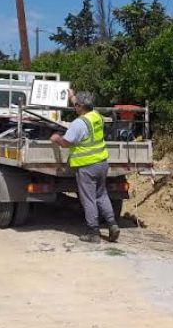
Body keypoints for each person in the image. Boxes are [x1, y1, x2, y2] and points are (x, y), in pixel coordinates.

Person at [49, 90, 120, 243]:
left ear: (80, 107)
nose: (75, 106)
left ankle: (93, 233)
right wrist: (72, 96)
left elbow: (66, 143)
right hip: (102, 163)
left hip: (87, 166)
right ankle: (112, 224)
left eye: (76, 105)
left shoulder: (78, 124)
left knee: (89, 199)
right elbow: (80, 104)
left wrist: (56, 138)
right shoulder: (97, 116)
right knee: (102, 195)